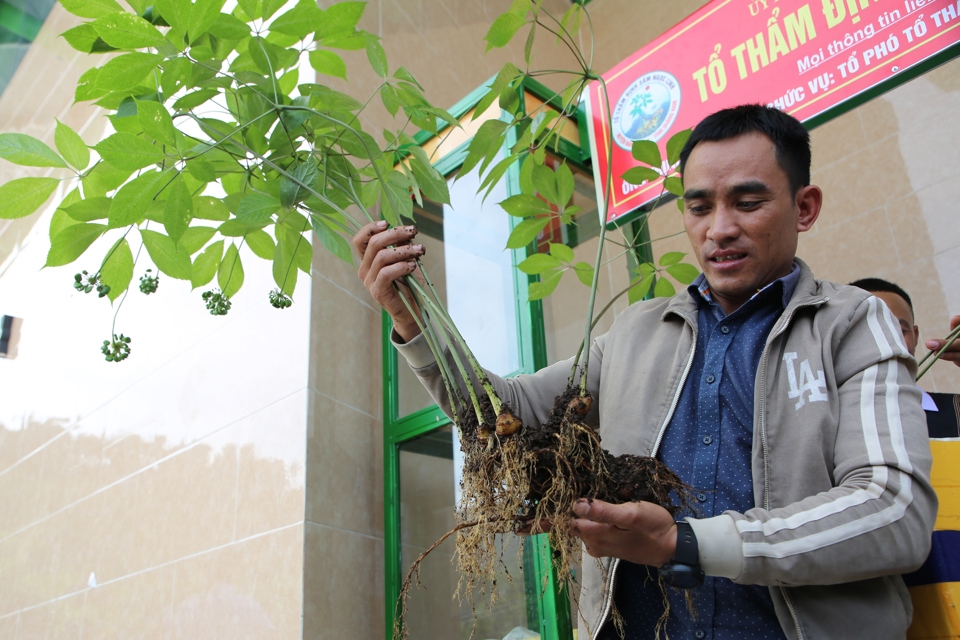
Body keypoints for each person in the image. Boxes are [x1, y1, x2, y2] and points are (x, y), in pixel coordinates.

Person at [354, 105, 937, 639]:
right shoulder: (634, 331)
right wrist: (414, 319)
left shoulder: (853, 324)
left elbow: (894, 510)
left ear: (804, 207)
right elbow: (506, 412)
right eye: (700, 205)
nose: (719, 228)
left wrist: (684, 542)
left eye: (748, 202)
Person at [848, 278, 960, 438]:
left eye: (899, 330)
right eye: (869, 330)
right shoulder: (824, 426)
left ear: (915, 336)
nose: (886, 343)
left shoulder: (956, 411)